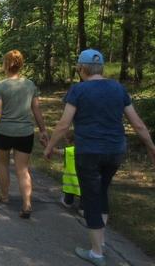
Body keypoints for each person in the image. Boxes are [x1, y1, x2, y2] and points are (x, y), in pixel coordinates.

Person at [43, 49, 155, 266]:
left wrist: (50, 147)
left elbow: (64, 124)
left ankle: (96, 253)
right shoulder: (118, 88)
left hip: (89, 152)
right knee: (102, 191)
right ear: (101, 67)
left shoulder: (78, 90)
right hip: (115, 151)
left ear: (81, 68)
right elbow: (137, 123)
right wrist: (151, 146)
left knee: (91, 198)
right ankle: (100, 242)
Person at [0, 50, 49, 219]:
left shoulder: (0, 86)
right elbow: (36, 109)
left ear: (6, 64)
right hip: (25, 133)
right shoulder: (30, 85)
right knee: (22, 169)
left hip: (4, 132)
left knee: (3, 164)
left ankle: (4, 195)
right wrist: (43, 130)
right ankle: (27, 203)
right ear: (21, 64)